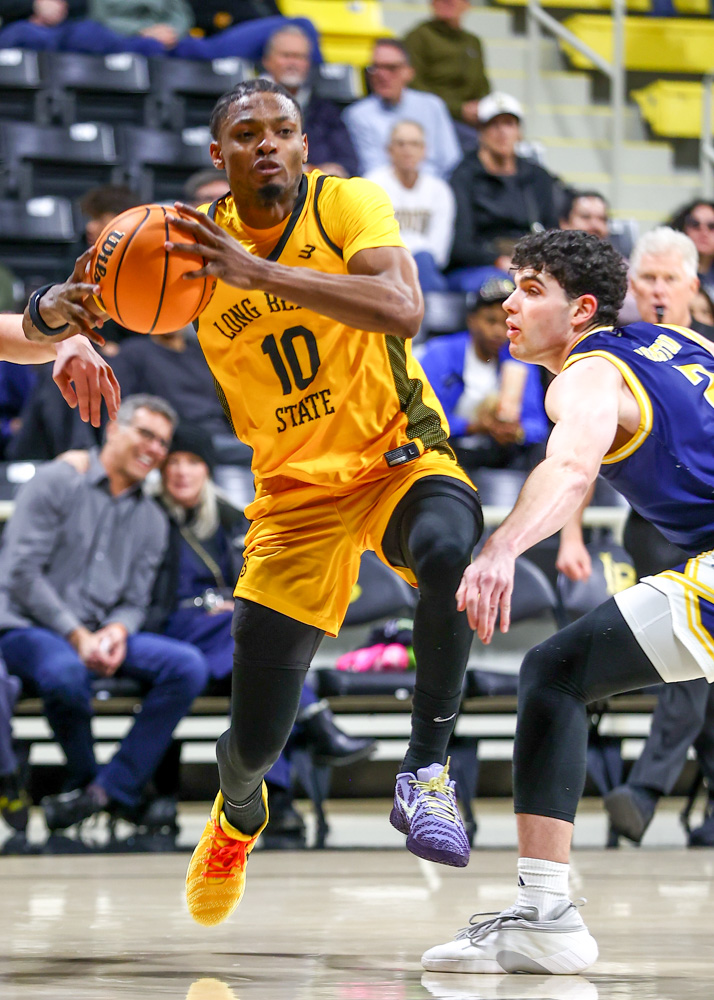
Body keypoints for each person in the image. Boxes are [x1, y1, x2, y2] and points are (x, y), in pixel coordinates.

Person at [159, 77, 482, 926]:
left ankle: (427, 772)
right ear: (219, 153)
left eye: (283, 129)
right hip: (294, 494)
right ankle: (238, 815)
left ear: (304, 145)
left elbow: (403, 309)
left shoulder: (346, 204)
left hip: (394, 454)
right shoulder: (189, 249)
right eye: (247, 133)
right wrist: (67, 326)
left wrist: (261, 272)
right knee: (253, 744)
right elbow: (101, 302)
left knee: (450, 553)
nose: (267, 142)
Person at [421, 227, 714, 974]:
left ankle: (545, 916)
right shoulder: (680, 344)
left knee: (554, 673)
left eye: (531, 291)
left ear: (582, 310)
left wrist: (501, 547)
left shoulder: (586, 373)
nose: (509, 305)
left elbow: (572, 467)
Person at [555, 228, 714, 848]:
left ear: (693, 285)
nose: (657, 290)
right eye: (647, 278)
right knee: (691, 653)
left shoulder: (704, 347)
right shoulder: (613, 350)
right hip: (657, 527)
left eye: (669, 279)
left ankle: (656, 795)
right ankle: (645, 792)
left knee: (700, 659)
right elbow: (578, 451)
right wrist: (571, 536)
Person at [148, 423, 377, 840]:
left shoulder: (228, 517)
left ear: (207, 469)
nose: (181, 471)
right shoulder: (148, 516)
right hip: (172, 634)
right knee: (256, 648)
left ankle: (274, 799)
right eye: (173, 463)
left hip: (219, 639)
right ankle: (308, 739)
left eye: (192, 462)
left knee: (258, 680)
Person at [0, 395, 211, 831]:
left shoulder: (153, 518)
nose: (154, 449)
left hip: (99, 633)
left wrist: (117, 630)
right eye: (146, 434)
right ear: (113, 428)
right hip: (27, 627)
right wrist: (77, 635)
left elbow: (135, 601)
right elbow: (20, 574)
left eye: (162, 442)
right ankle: (87, 778)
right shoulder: (58, 480)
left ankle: (107, 790)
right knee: (64, 671)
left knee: (187, 666)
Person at [418, 276, 548, 473]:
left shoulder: (520, 360)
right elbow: (423, 420)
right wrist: (472, 426)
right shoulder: (440, 353)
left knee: (542, 451)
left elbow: (537, 424)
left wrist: (517, 432)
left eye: (506, 323)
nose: (498, 331)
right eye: (490, 320)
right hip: (449, 449)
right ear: (471, 320)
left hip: (500, 451)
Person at [448, 92, 562, 291]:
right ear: (480, 131)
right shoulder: (464, 176)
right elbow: (460, 245)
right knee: (501, 287)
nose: (502, 133)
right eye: (493, 125)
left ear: (519, 132)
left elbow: (552, 233)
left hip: (529, 262)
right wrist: (497, 260)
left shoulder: (537, 176)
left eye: (509, 124)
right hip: (479, 266)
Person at [342, 38, 461, 179]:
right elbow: (372, 169)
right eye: (375, 68)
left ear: (409, 72)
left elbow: (451, 160)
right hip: (383, 189)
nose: (382, 75)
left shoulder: (432, 106)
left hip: (435, 187)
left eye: (391, 68)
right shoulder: (357, 115)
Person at [366, 120, 455, 292]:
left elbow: (439, 252)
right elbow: (373, 243)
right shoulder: (372, 184)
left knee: (425, 263)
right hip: (384, 270)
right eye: (400, 144)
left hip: (425, 267)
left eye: (415, 144)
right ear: (389, 150)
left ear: (424, 150)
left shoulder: (440, 190)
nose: (407, 150)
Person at [261, 23, 358, 179]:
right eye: (286, 56)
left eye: (300, 57)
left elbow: (348, 163)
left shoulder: (327, 111)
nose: (293, 63)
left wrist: (335, 170)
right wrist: (309, 170)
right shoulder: (247, 106)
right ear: (267, 61)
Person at [404, 0, 490, 150]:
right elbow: (413, 85)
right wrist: (458, 109)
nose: (447, 1)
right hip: (436, 119)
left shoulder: (473, 42)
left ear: (467, 4)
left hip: (472, 119)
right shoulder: (418, 37)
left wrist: (483, 108)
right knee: (477, 144)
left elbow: (482, 84)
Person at [668, 199, 714, 298]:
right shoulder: (667, 271)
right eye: (695, 224)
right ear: (683, 229)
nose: (704, 231)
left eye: (711, 226)